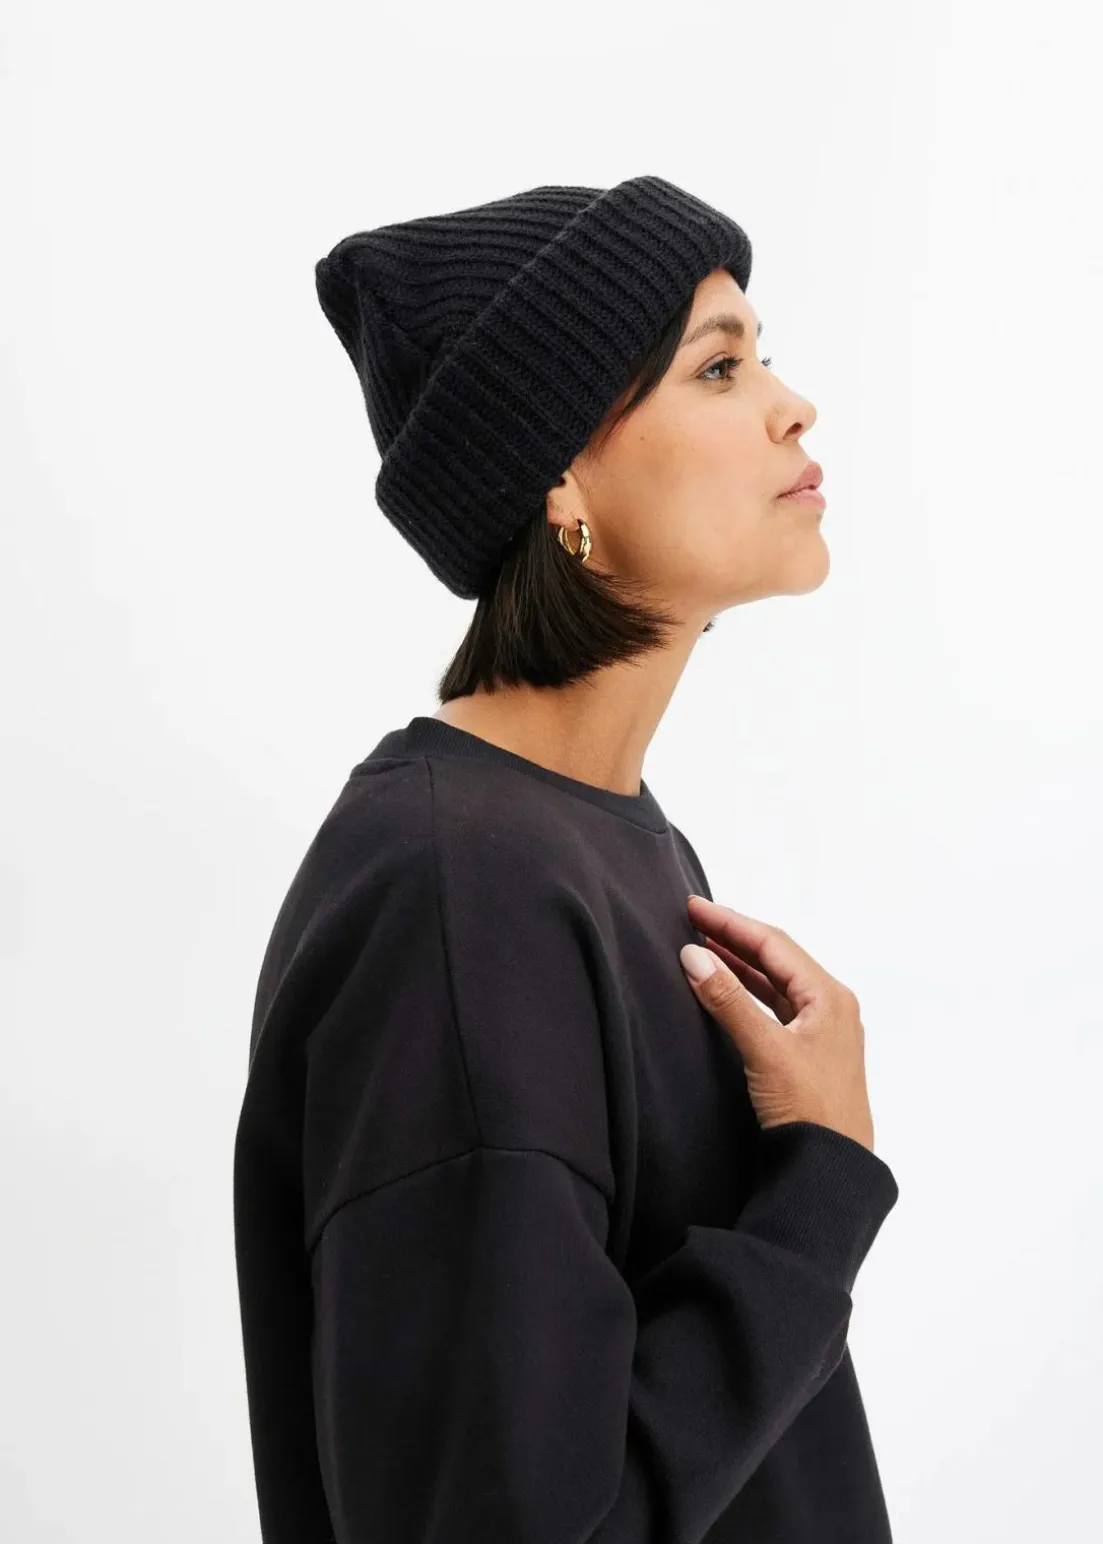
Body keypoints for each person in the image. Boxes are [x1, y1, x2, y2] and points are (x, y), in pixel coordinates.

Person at [232, 175, 900, 1543]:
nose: (792, 406)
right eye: (718, 367)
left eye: (763, 357)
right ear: (559, 478)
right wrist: (821, 1180)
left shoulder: (593, 839)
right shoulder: (456, 894)